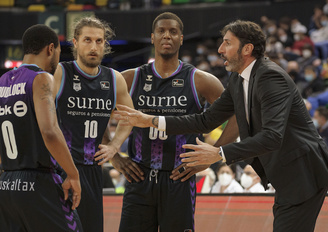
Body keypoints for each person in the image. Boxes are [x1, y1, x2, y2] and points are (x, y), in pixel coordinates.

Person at [115, 19, 328, 232]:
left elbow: (272, 136)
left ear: (246, 49)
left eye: (227, 43)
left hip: (303, 173)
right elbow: (205, 120)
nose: (221, 49)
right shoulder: (238, 78)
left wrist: (219, 153)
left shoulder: (271, 77)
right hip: (286, 174)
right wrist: (151, 121)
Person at [110, 12, 228, 232]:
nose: (167, 36)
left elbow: (237, 115)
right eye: (161, 31)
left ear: (181, 39)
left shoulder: (200, 80)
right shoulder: (129, 78)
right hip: (139, 176)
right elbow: (94, 114)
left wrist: (214, 154)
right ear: (152, 37)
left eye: (173, 31)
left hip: (179, 179)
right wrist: (115, 157)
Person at [53, 17, 134, 232]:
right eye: (87, 40)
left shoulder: (114, 79)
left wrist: (115, 146)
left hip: (92, 169)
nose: (94, 46)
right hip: (61, 167)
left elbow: (130, 117)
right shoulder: (60, 73)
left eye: (99, 41)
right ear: (75, 42)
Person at [0, 24, 83, 231]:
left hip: (7, 182)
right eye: (59, 53)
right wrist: (73, 174)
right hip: (39, 181)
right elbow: (49, 131)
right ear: (50, 49)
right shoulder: (41, 78)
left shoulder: (2, 82)